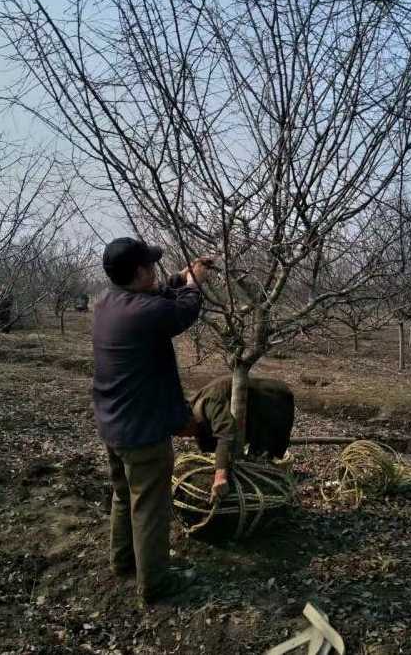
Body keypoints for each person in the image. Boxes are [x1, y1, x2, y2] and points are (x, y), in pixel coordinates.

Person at [92, 237, 210, 603]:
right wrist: (194, 283)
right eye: (151, 266)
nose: (156, 271)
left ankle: (123, 562)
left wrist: (182, 274)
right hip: (142, 432)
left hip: (113, 424)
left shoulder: (105, 302)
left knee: (124, 496)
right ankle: (155, 584)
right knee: (150, 508)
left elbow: (158, 292)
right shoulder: (144, 312)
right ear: (139, 272)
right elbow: (184, 309)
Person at [181, 376, 295, 501]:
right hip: (250, 411)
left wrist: (220, 476)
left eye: (183, 432)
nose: (185, 437)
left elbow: (226, 434)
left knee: (263, 458)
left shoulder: (210, 402)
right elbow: (207, 442)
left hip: (272, 401)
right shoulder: (194, 409)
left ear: (187, 421)